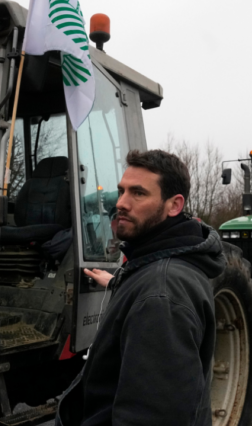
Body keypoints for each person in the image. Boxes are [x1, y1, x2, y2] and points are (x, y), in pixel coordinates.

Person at [56, 150, 225, 426]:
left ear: (174, 205)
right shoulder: (156, 267)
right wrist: (121, 284)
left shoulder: (161, 294)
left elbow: (152, 417)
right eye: (121, 191)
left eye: (138, 193)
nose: (121, 203)